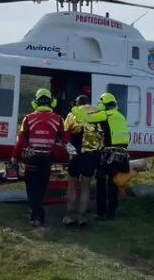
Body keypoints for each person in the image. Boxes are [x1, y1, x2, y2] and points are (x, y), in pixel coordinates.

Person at [11, 88, 64, 228]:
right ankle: (36, 215)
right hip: (47, 159)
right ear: (52, 102)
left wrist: (15, 157)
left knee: (31, 188)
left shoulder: (28, 118)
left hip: (31, 159)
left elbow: (20, 141)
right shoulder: (58, 119)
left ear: (35, 102)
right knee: (41, 188)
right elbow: (62, 140)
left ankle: (37, 216)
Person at [72, 92, 129, 220]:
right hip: (122, 155)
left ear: (103, 103)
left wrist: (75, 109)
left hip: (109, 154)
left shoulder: (106, 115)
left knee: (102, 182)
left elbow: (87, 118)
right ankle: (111, 213)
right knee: (113, 184)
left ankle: (101, 211)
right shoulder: (120, 116)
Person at [62, 94, 103, 226]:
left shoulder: (72, 115)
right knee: (86, 187)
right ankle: (82, 217)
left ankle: (69, 216)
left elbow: (65, 136)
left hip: (76, 155)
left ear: (77, 104)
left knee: (72, 186)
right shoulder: (97, 115)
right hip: (91, 155)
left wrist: (70, 151)